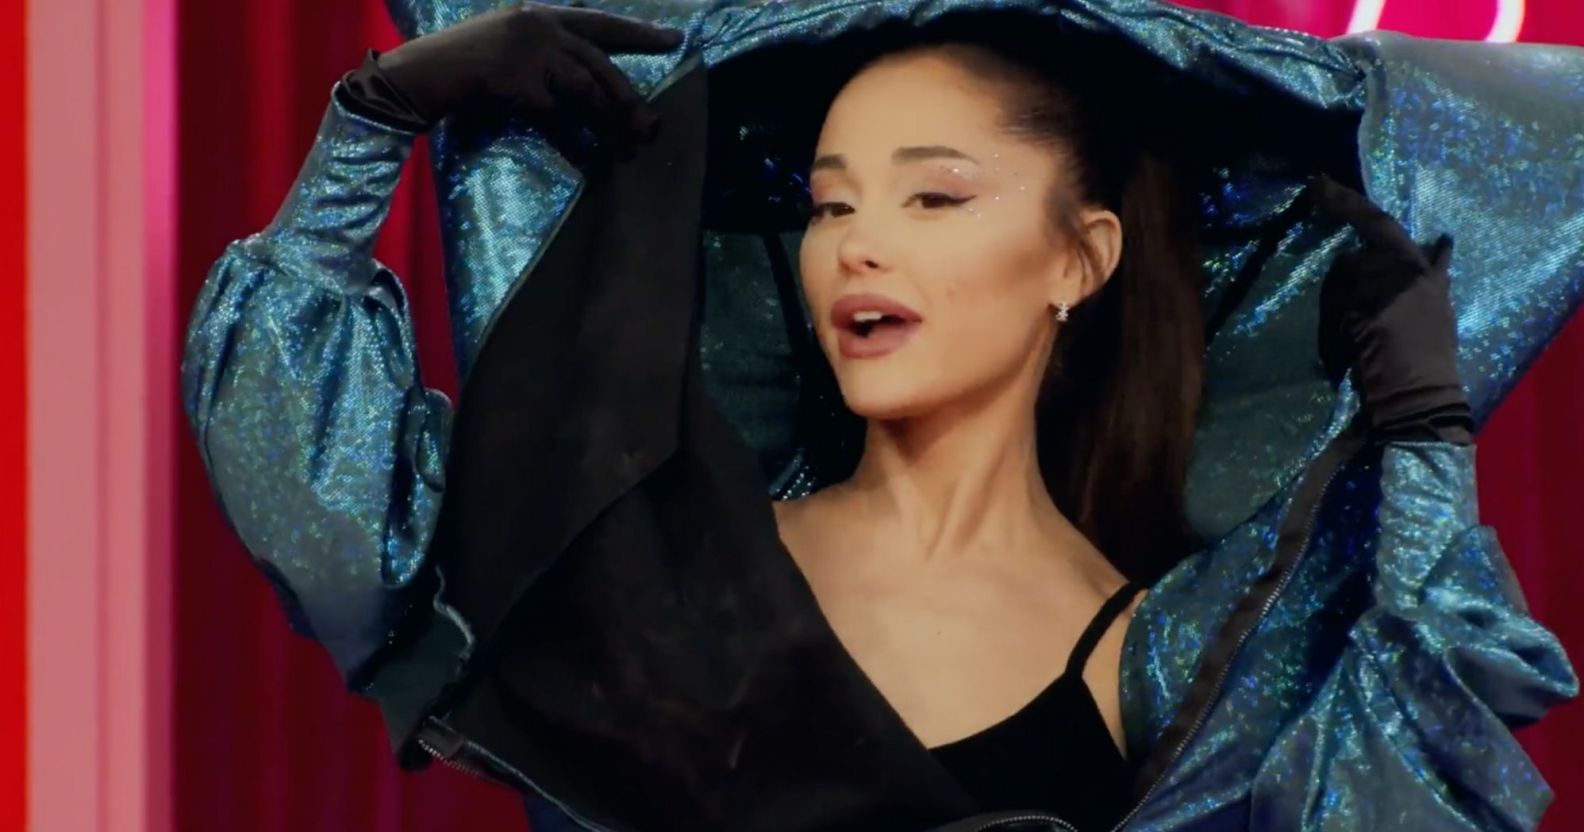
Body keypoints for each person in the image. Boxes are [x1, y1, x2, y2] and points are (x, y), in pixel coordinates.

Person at [181, 2, 1582, 830]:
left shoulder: (1155, 654)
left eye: (934, 195)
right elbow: (335, 524)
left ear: (1079, 259)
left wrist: (1424, 439)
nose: (857, 242)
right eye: (830, 202)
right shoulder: (653, 550)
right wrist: (369, 126)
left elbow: (1410, 756)